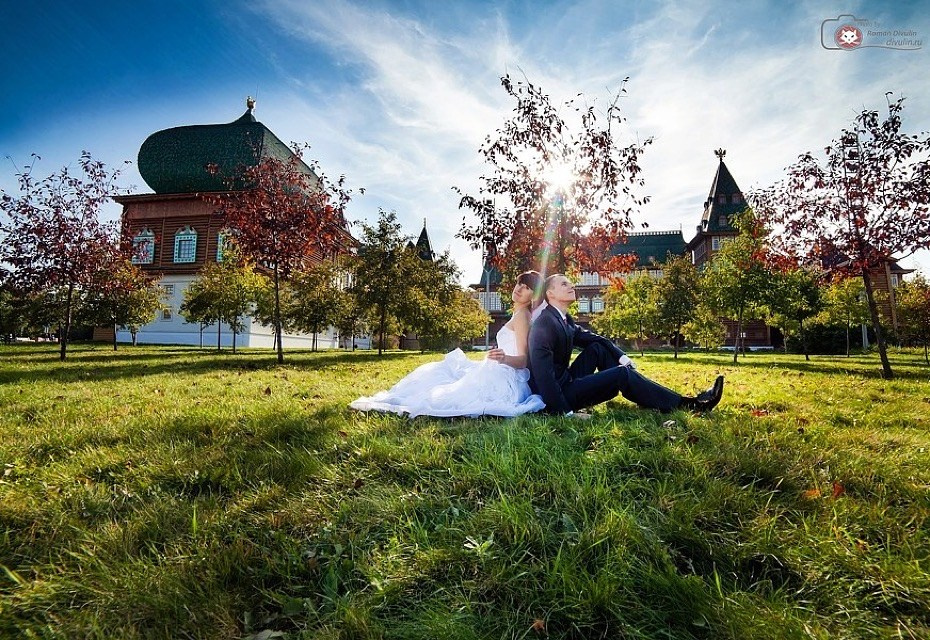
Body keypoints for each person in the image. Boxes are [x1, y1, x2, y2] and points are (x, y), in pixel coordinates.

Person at [350, 271, 546, 418]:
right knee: (444, 374)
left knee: (448, 395)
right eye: (520, 283)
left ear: (534, 296)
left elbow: (523, 360)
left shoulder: (522, 317)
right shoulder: (518, 314)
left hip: (507, 378)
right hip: (500, 369)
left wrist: (503, 358)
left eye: (527, 287)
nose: (519, 289)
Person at [528, 274, 724, 415]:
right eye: (564, 284)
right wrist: (564, 412)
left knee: (598, 349)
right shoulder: (545, 323)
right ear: (550, 293)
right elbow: (543, 376)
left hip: (566, 380)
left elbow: (596, 339)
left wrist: (621, 355)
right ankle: (689, 405)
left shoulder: (564, 319)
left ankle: (643, 394)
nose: (572, 287)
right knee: (622, 373)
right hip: (558, 394)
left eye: (571, 283)